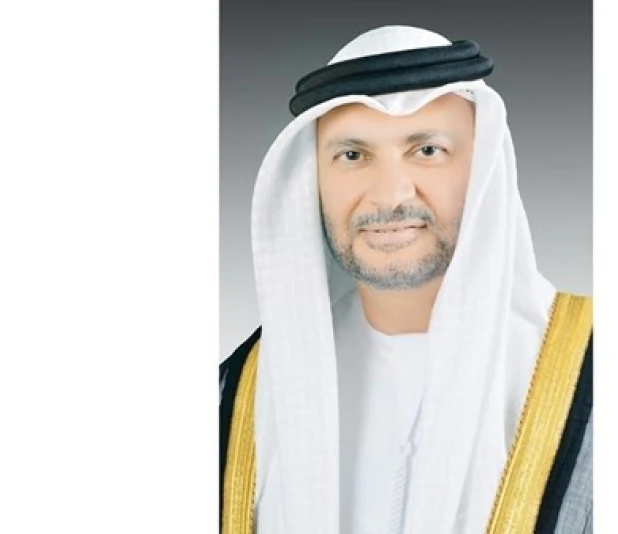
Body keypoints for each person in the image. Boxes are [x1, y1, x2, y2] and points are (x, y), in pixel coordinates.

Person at [220, 25, 593, 534]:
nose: (390, 194)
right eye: (353, 155)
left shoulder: (593, 374)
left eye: (427, 151)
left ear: (482, 168)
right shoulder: (237, 392)